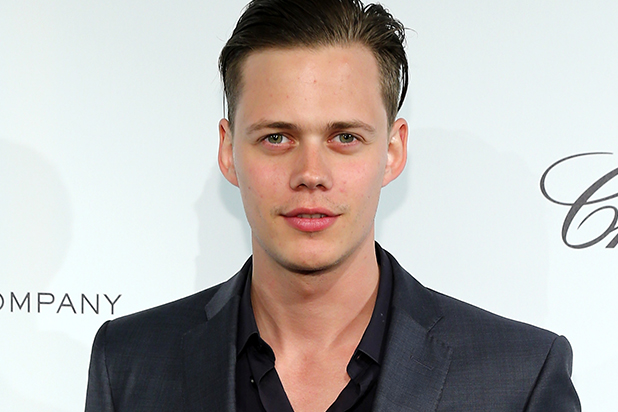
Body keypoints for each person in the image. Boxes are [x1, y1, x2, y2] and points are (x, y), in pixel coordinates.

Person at [84, 0, 581, 410]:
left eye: (345, 137)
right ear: (228, 151)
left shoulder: (520, 377)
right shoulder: (129, 363)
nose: (311, 175)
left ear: (392, 151)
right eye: (276, 137)